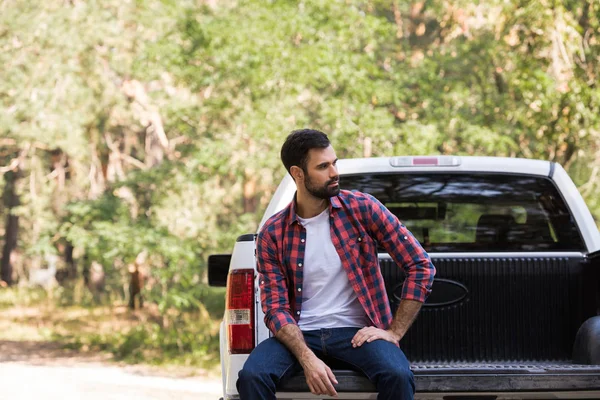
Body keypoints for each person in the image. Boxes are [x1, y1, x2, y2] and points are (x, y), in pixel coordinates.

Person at [237, 129, 436, 400]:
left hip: (357, 334)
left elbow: (421, 265)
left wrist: (393, 332)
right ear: (298, 174)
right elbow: (275, 308)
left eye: (334, 163)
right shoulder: (274, 232)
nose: (334, 172)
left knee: (398, 375)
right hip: (300, 333)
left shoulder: (362, 208)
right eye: (322, 166)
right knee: (252, 377)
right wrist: (307, 358)